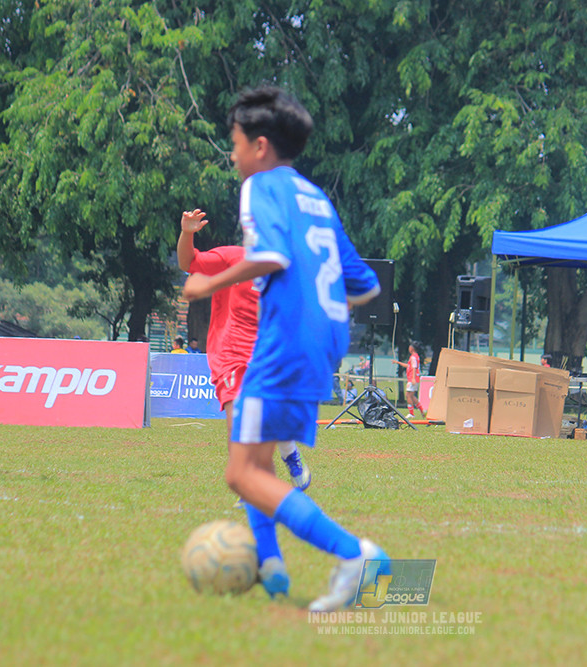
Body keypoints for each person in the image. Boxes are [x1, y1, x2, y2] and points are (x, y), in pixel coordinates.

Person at [181, 85, 387, 612]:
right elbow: (365, 286)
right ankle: (271, 569)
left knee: (240, 472)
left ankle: (354, 555)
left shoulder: (260, 187)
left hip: (282, 342)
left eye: (235, 143)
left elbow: (269, 256)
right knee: (257, 461)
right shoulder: (315, 196)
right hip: (325, 341)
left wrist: (208, 285)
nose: (232, 155)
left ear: (261, 146)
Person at [177, 212, 311, 493]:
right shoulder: (232, 257)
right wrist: (187, 233)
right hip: (231, 353)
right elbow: (187, 262)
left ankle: (289, 452)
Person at [393, 342, 423, 418]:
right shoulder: (415, 357)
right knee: (412, 396)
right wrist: (398, 362)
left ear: (412, 348)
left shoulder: (413, 357)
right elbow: (409, 366)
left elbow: (414, 368)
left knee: (408, 395)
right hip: (414, 378)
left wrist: (413, 378)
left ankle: (411, 413)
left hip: (412, 379)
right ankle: (422, 411)